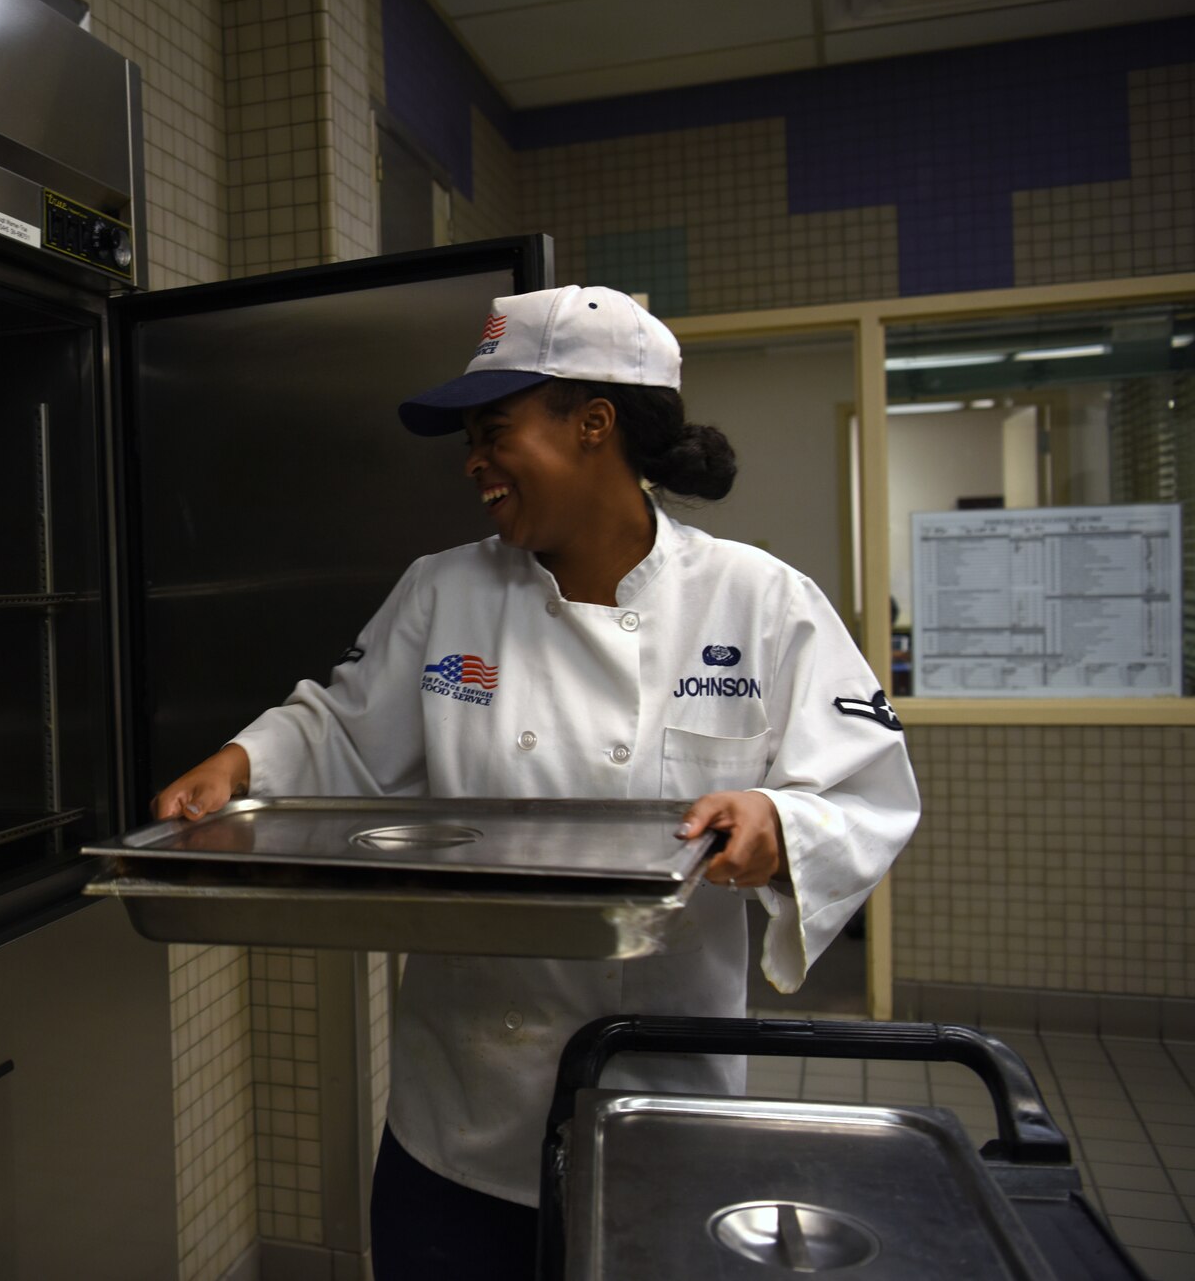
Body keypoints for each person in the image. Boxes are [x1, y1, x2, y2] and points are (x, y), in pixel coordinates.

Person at [151, 285, 920, 1279]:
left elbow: (865, 793)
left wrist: (776, 819)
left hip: (658, 1105)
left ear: (592, 423)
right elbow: (341, 731)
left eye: (493, 428)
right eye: (467, 435)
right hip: (457, 1117)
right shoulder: (443, 593)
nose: (472, 459)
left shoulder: (759, 600)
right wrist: (244, 761)